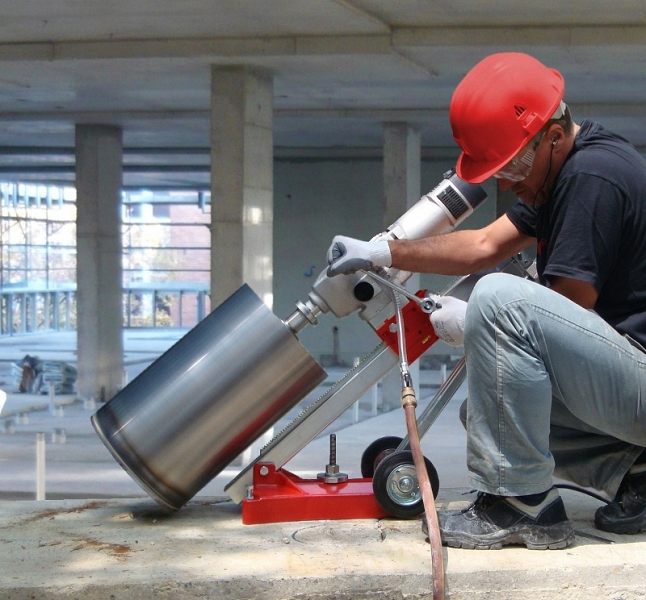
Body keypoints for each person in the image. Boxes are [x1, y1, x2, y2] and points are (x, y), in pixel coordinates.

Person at [326, 52, 646, 550]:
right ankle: (637, 471)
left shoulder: (592, 178)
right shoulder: (564, 171)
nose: (507, 181)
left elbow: (569, 305)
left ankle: (521, 505)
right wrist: (383, 252)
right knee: (489, 414)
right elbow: (483, 245)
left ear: (553, 136)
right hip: (629, 382)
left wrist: (477, 317)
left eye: (514, 164)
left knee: (498, 297)